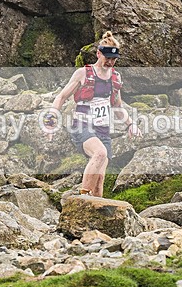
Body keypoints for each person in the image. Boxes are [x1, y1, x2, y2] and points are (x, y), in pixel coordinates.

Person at [43, 32, 140, 197]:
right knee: (99, 153)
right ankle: (83, 198)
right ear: (98, 54)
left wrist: (131, 124)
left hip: (103, 130)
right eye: (107, 58)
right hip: (82, 126)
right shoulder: (83, 74)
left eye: (113, 59)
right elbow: (61, 97)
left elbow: (117, 106)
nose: (109, 62)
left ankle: (95, 211)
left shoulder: (115, 77)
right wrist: (50, 123)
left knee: (100, 178)